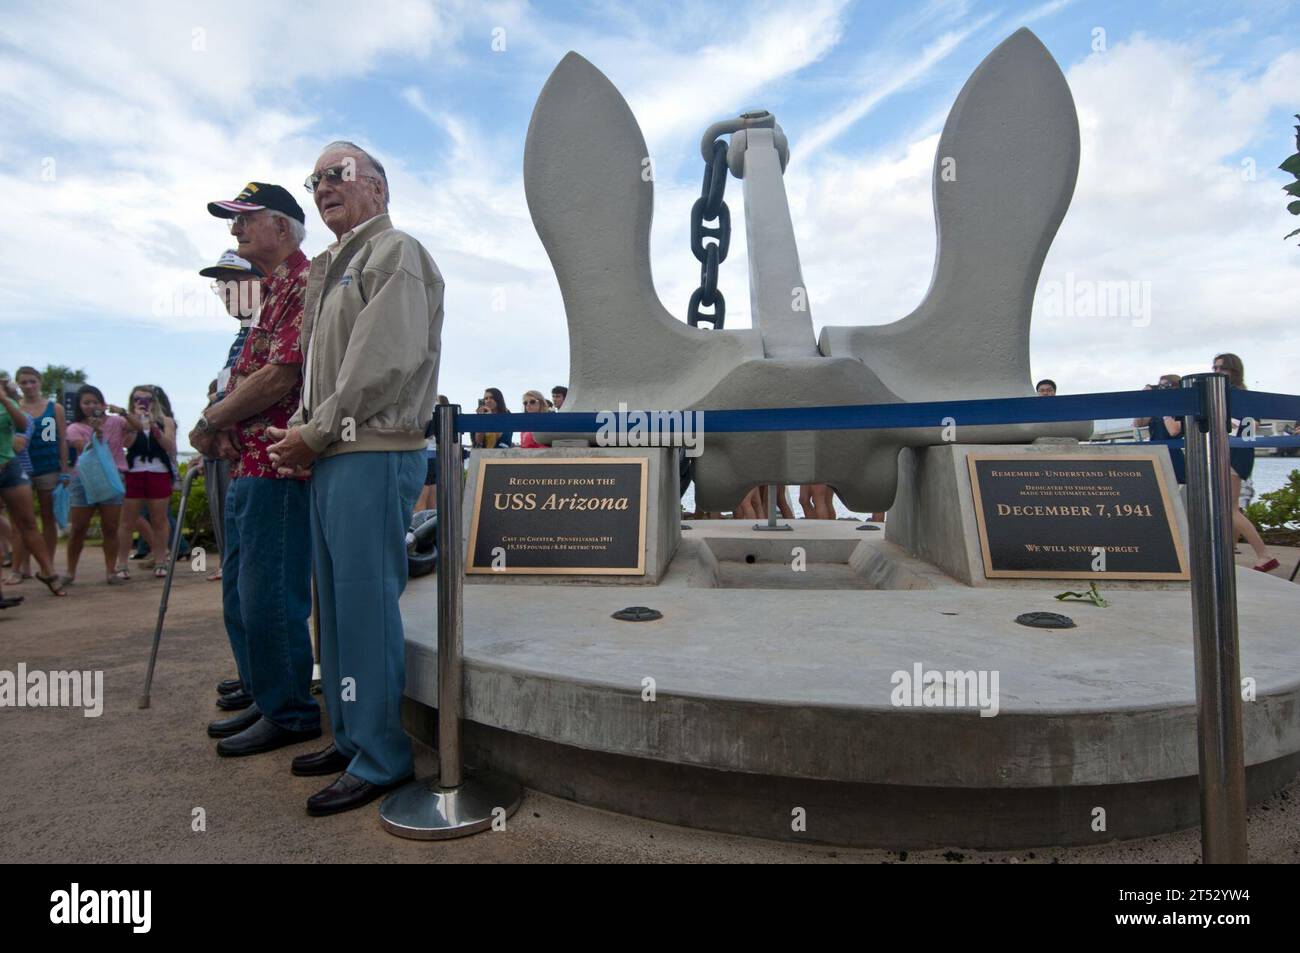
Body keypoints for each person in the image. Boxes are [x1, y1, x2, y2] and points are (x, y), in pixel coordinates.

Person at [268, 140, 443, 816]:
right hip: (334, 452)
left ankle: (382, 755)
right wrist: (309, 432)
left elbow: (381, 363)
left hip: (369, 448)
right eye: (314, 179)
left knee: (366, 608)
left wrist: (314, 431)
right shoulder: (335, 266)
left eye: (336, 174)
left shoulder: (393, 253)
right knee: (336, 611)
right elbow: (327, 372)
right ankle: (350, 735)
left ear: (377, 186)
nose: (321, 186)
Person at [192, 181, 320, 753]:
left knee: (270, 596)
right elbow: (249, 376)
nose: (235, 230)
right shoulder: (271, 292)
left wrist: (212, 417)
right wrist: (220, 422)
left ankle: (290, 712)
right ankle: (272, 700)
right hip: (250, 464)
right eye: (233, 221)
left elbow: (280, 376)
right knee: (249, 592)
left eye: (246, 219)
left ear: (283, 226)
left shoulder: (303, 281)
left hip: (277, 465)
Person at [199, 249, 264, 586]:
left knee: (258, 581)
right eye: (221, 284)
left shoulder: (268, 328)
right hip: (233, 462)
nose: (226, 290)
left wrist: (213, 418)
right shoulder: (242, 334)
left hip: (259, 464)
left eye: (234, 282)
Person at [63, 385, 135, 585]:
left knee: (111, 528)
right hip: (83, 480)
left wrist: (122, 411)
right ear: (79, 405)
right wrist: (96, 432)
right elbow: (86, 449)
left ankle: (111, 571)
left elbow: (138, 427)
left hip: (112, 478)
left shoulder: (116, 421)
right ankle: (70, 572)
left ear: (102, 404)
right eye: (86, 402)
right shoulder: (74, 428)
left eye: (95, 402)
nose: (91, 406)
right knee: (78, 528)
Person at [0, 376, 65, 596]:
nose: (29, 386)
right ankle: (19, 568)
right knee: (16, 524)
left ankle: (48, 570)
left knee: (36, 521)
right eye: (24, 382)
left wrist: (63, 467)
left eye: (32, 381)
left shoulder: (48, 408)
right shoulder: (23, 406)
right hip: (23, 465)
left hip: (30, 466)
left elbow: (45, 433)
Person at [1213, 353, 1277, 572]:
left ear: (1233, 371)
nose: (1216, 372)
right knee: (1231, 507)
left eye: (1221, 368)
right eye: (1215, 368)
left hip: (1234, 454)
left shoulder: (1234, 395)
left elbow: (1251, 427)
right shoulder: (1236, 394)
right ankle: (1228, 555)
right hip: (1235, 452)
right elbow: (1252, 427)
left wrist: (1229, 428)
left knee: (1229, 509)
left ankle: (1264, 554)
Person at [114, 386, 177, 579]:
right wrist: (136, 424)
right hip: (134, 471)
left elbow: (170, 446)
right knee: (128, 520)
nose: (143, 403)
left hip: (159, 471)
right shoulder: (125, 422)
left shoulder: (166, 421)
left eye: (147, 399)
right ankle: (122, 563)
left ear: (154, 401)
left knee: (159, 519)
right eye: (137, 399)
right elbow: (125, 444)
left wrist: (154, 428)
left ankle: (161, 560)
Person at [1135, 374, 1185, 484]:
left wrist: (1163, 406)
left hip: (1173, 456)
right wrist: (1143, 400)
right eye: (1160, 387)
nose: (1163, 390)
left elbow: (1173, 431)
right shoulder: (1158, 409)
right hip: (1156, 454)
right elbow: (1138, 423)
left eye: (1167, 386)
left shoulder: (1181, 408)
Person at [415, 395, 449, 513]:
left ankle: (419, 528)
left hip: (424, 453)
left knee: (419, 501)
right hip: (436, 456)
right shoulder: (441, 409)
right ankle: (431, 529)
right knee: (433, 502)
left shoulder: (426, 406)